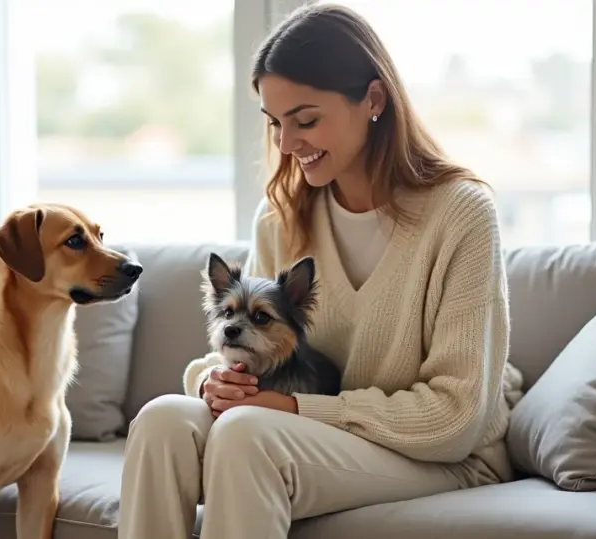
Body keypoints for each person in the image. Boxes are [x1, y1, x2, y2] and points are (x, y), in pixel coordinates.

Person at [117, 3, 525, 538]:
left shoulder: (461, 214)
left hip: (445, 457)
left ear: (373, 100)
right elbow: (255, 352)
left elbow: (455, 416)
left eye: (305, 120)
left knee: (246, 435)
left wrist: (291, 406)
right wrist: (215, 382)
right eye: (275, 123)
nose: (286, 144)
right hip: (311, 434)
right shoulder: (283, 218)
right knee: (163, 421)